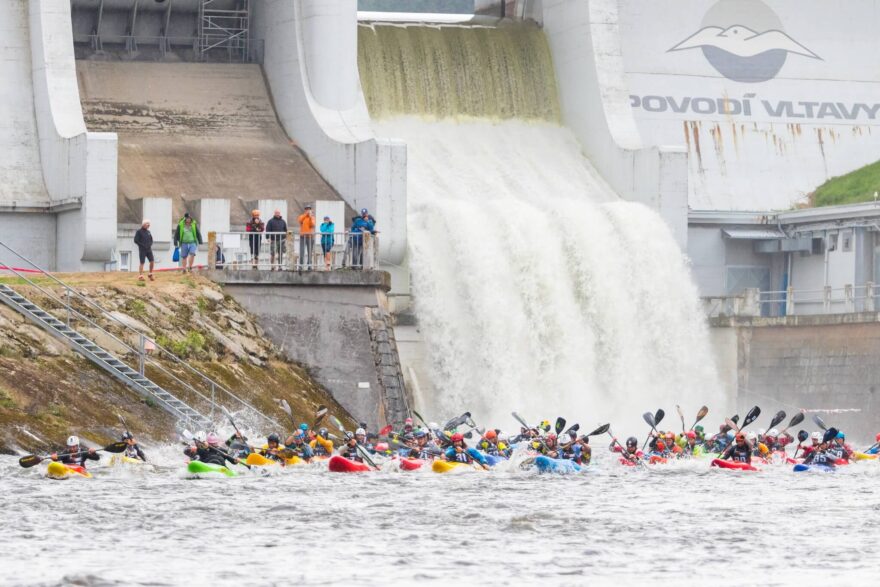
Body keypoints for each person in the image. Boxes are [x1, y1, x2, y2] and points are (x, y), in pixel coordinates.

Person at [298, 204, 316, 271]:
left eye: (309, 209)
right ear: (305, 210)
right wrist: (306, 215)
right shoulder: (302, 216)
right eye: (306, 209)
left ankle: (309, 266)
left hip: (310, 237)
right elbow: (300, 221)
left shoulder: (313, 217)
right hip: (302, 237)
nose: (308, 210)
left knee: (310, 252)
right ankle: (300, 265)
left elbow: (313, 225)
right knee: (301, 251)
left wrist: (310, 216)